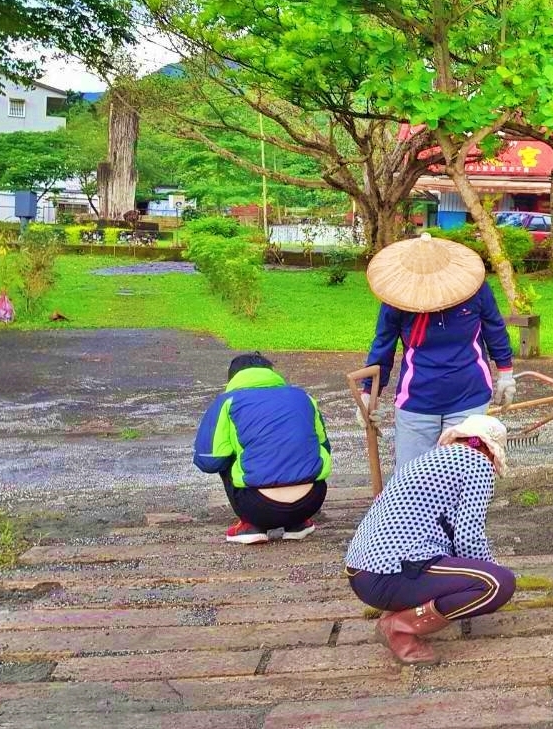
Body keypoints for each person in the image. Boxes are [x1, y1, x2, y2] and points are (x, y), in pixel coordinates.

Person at [344, 414, 517, 664]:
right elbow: (468, 537)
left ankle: (398, 614)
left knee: (462, 568)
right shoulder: (477, 463)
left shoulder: (429, 460)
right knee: (498, 584)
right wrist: (490, 569)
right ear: (490, 451)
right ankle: (398, 628)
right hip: (392, 573)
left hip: (362, 572)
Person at [363, 232, 518, 468]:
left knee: (462, 474)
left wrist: (506, 374)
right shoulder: (398, 300)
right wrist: (368, 393)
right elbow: (383, 345)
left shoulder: (475, 290)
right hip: (417, 401)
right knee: (413, 478)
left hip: (469, 396)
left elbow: (494, 327)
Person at [193, 353, 332, 545]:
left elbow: (208, 461)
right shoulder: (304, 397)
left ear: (233, 377)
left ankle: (251, 525)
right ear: (271, 372)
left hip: (258, 506)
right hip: (312, 500)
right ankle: (298, 524)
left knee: (224, 456)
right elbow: (324, 447)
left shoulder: (227, 401)